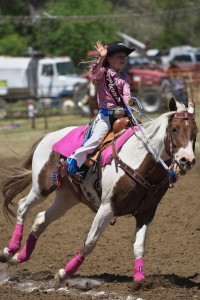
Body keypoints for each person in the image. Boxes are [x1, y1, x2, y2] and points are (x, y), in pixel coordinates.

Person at [66, 40, 135, 176]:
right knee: (96, 140)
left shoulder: (124, 76)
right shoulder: (103, 73)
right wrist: (102, 56)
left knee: (140, 133)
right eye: (119, 56)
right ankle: (72, 163)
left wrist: (129, 101)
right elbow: (94, 74)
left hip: (123, 115)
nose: (123, 59)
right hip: (106, 117)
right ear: (109, 59)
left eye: (124, 57)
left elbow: (127, 94)